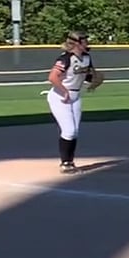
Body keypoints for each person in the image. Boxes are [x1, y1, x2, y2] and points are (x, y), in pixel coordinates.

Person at [46, 32, 100, 173]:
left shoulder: (86, 58)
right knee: (69, 131)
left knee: (74, 132)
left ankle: (69, 162)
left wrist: (95, 80)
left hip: (75, 96)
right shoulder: (66, 58)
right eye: (84, 41)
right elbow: (52, 77)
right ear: (76, 43)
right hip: (60, 97)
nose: (87, 43)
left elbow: (87, 75)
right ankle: (65, 164)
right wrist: (64, 91)